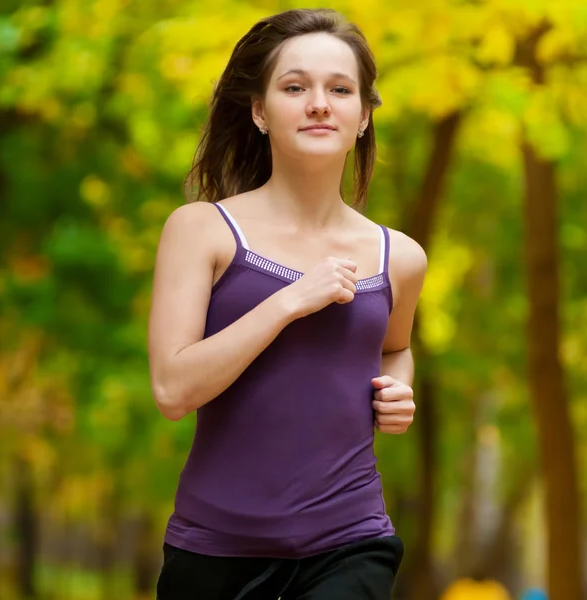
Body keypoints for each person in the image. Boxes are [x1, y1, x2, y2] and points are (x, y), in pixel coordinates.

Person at [148, 8, 427, 600]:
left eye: (341, 89)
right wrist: (288, 301)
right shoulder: (201, 231)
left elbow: (395, 349)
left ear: (363, 116)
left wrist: (399, 389)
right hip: (215, 549)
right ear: (259, 111)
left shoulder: (398, 257)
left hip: (351, 542)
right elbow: (173, 390)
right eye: (295, 87)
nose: (319, 103)